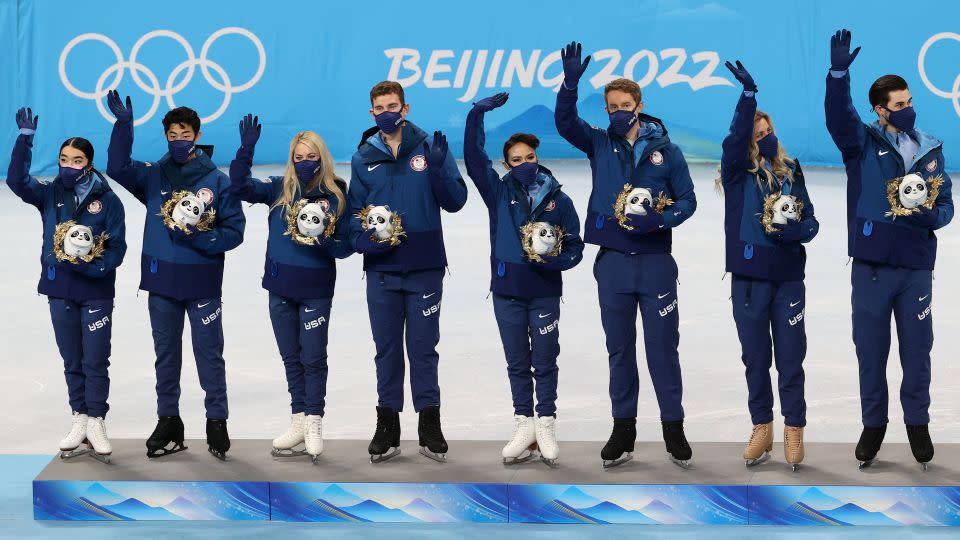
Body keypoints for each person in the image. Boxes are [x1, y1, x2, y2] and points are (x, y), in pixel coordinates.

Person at [554, 42, 697, 469]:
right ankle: (623, 428)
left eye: (626, 104)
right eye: (612, 106)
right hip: (613, 262)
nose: (619, 111)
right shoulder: (598, 143)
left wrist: (661, 220)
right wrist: (569, 84)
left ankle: (674, 427)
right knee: (619, 349)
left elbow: (688, 201)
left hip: (655, 264)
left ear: (639, 105)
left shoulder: (666, 151)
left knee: (662, 349)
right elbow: (564, 122)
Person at [824, 30, 953, 470]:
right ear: (880, 110)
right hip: (873, 268)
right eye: (899, 104)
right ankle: (873, 425)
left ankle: (917, 424)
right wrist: (838, 75)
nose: (908, 109)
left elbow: (947, 207)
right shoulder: (861, 144)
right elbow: (838, 118)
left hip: (916, 267)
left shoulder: (931, 149)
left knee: (917, 352)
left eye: (910, 101)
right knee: (871, 352)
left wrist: (927, 217)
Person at [105, 90, 246, 461]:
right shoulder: (152, 175)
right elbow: (117, 166)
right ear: (166, 136)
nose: (179, 141)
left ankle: (217, 420)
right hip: (162, 283)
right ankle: (169, 420)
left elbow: (235, 232)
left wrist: (201, 237)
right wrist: (124, 126)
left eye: (185, 135)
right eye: (173, 135)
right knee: (165, 357)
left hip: (202, 284)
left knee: (209, 355)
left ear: (197, 136)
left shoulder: (218, 181)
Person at [347, 80, 467, 463]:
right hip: (382, 270)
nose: (387, 112)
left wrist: (438, 172)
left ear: (406, 108)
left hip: (425, 267)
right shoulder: (363, 156)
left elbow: (457, 201)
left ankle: (429, 424)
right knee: (386, 351)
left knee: (422, 349)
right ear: (371, 113)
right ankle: (388, 424)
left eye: (393, 105)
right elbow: (353, 214)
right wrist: (363, 242)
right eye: (379, 107)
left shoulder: (430, 147)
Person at [463, 92, 584, 468]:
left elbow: (576, 246)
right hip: (508, 292)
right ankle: (524, 426)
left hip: (544, 292)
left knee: (545, 361)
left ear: (538, 158)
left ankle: (546, 424)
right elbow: (473, 159)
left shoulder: (558, 200)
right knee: (517, 362)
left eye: (530, 158)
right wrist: (476, 116)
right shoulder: (498, 192)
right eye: (517, 160)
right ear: (507, 164)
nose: (525, 164)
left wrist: (557, 263)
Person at [228, 115, 352, 463]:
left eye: (310, 155)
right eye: (298, 156)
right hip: (280, 287)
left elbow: (348, 245)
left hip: (315, 289)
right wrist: (246, 149)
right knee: (291, 357)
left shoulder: (338, 192)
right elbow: (238, 186)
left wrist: (324, 242)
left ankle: (314, 421)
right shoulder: (279, 188)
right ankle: (298, 419)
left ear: (322, 157)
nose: (304, 162)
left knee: (313, 358)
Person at [6, 107, 126, 463]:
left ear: (88, 164)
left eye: (75, 160)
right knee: (72, 358)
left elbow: (117, 249)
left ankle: (97, 420)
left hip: (95, 291)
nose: (67, 165)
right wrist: (24, 141)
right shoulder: (49, 194)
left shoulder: (109, 201)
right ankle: (80, 418)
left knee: (96, 360)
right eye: (63, 159)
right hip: (59, 290)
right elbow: (15, 180)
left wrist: (91, 266)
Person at [719, 61, 820, 471]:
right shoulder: (736, 173)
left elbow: (811, 220)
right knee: (756, 357)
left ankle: (794, 429)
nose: (764, 138)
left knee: (792, 356)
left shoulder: (792, 171)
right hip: (748, 282)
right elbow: (735, 138)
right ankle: (762, 427)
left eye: (767, 131)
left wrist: (797, 233)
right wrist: (748, 99)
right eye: (755, 135)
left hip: (788, 279)